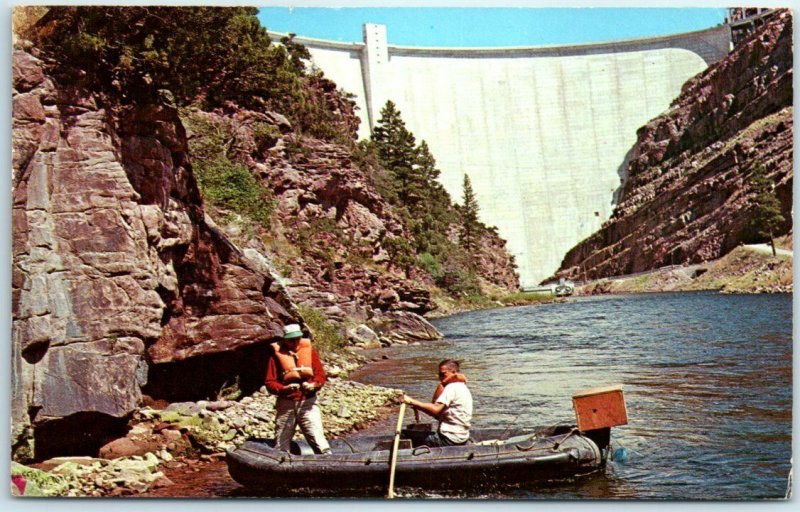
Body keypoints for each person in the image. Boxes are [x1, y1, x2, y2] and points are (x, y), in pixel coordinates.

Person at [265, 323, 331, 454]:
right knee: (281, 444)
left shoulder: (310, 352)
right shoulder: (275, 357)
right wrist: (284, 388)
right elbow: (270, 382)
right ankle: (282, 468)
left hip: (308, 403)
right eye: (291, 340)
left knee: (318, 440)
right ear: (284, 340)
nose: (295, 342)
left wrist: (314, 385)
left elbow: (320, 376)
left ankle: (327, 462)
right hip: (286, 404)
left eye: (297, 339)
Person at [402, 359, 473, 447]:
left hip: (448, 439)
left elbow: (435, 409)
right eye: (439, 374)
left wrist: (411, 400)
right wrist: (417, 405)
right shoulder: (463, 387)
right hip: (461, 437)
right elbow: (436, 414)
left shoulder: (451, 387)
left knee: (404, 435)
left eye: (443, 374)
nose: (440, 377)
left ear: (454, 372)